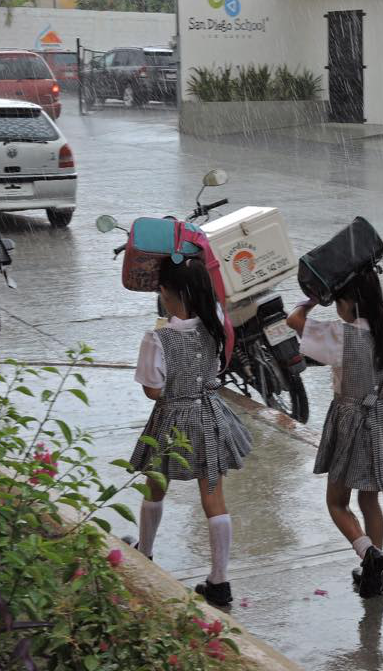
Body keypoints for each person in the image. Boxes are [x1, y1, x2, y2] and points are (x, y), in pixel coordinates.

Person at [127, 256, 253, 608]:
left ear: (168, 293)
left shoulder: (158, 338)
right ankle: (219, 580)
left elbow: (153, 390)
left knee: (155, 485)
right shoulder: (215, 324)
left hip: (172, 419)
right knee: (213, 494)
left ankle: (145, 551)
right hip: (210, 413)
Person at [287, 268, 383, 598]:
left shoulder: (341, 336)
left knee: (337, 502)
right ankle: (375, 576)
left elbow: (294, 320)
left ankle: (367, 551)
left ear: (346, 303)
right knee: (369, 500)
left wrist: (313, 298)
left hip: (349, 424)